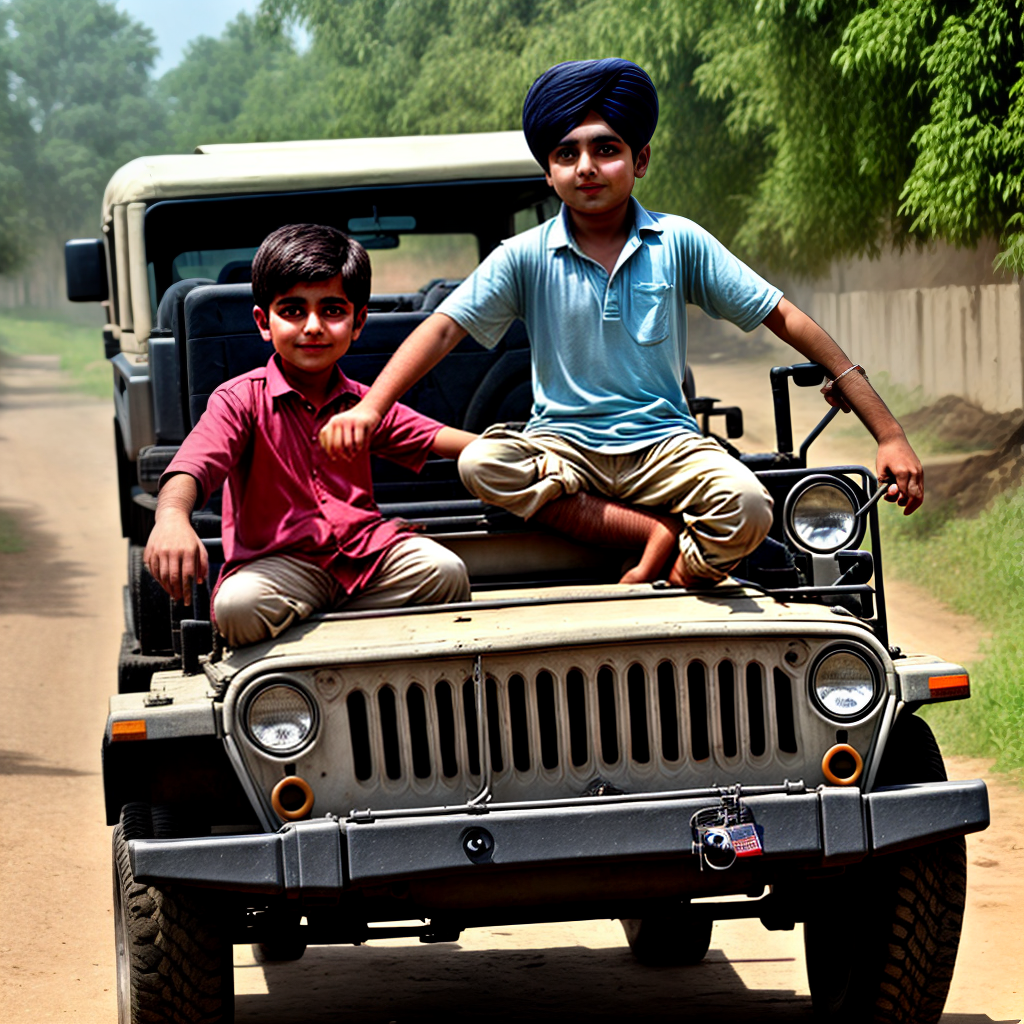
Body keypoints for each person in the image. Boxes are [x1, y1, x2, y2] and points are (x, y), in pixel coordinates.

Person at [319, 58, 924, 586]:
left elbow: (784, 315)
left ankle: (685, 570)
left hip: (665, 446)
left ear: (640, 160)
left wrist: (888, 432)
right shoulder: (522, 256)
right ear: (548, 172)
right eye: (567, 153)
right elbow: (444, 328)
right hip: (563, 451)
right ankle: (650, 535)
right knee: (483, 463)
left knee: (750, 507)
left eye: (605, 149)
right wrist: (372, 409)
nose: (586, 166)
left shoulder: (679, 241)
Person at [144, 223, 473, 647]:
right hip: (278, 568)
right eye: (293, 311)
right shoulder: (240, 399)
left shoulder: (365, 404)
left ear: (358, 323)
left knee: (444, 572)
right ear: (264, 322)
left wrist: (531, 451)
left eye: (332, 311)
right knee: (236, 607)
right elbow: (193, 467)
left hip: (367, 559)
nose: (313, 326)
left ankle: (326, 635)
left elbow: (454, 442)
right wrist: (170, 518)